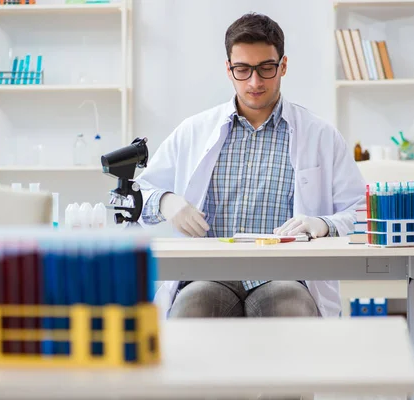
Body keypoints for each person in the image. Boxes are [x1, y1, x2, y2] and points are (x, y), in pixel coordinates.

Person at [136, 12, 366, 319]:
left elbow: (362, 213)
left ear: (283, 66)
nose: (255, 82)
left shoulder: (320, 135)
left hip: (285, 275)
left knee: (292, 311)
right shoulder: (194, 131)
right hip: (208, 273)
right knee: (190, 311)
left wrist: (323, 224)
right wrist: (166, 201)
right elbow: (138, 195)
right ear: (228, 69)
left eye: (266, 68)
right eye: (243, 69)